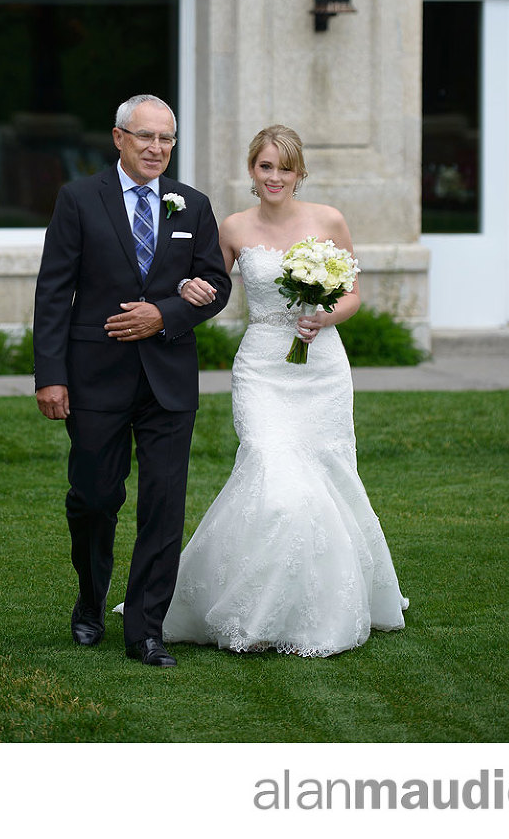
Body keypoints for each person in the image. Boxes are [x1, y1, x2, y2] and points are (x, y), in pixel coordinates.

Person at [161, 124, 408, 657]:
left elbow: (353, 294)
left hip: (321, 367)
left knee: (327, 471)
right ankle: (250, 602)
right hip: (261, 366)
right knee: (269, 466)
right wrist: (184, 288)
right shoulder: (231, 227)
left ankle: (316, 604)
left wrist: (324, 315)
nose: (275, 177)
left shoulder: (328, 220)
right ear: (252, 170)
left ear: (300, 172)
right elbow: (210, 289)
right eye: (265, 166)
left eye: (285, 167)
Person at [33, 94, 231, 668]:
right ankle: (91, 603)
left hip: (168, 379)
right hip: (94, 377)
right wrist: (51, 375)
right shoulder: (78, 200)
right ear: (118, 138)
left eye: (166, 139)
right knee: (95, 497)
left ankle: (146, 629)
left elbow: (213, 281)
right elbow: (53, 292)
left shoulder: (191, 205)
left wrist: (169, 313)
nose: (157, 148)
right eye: (145, 137)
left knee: (164, 506)